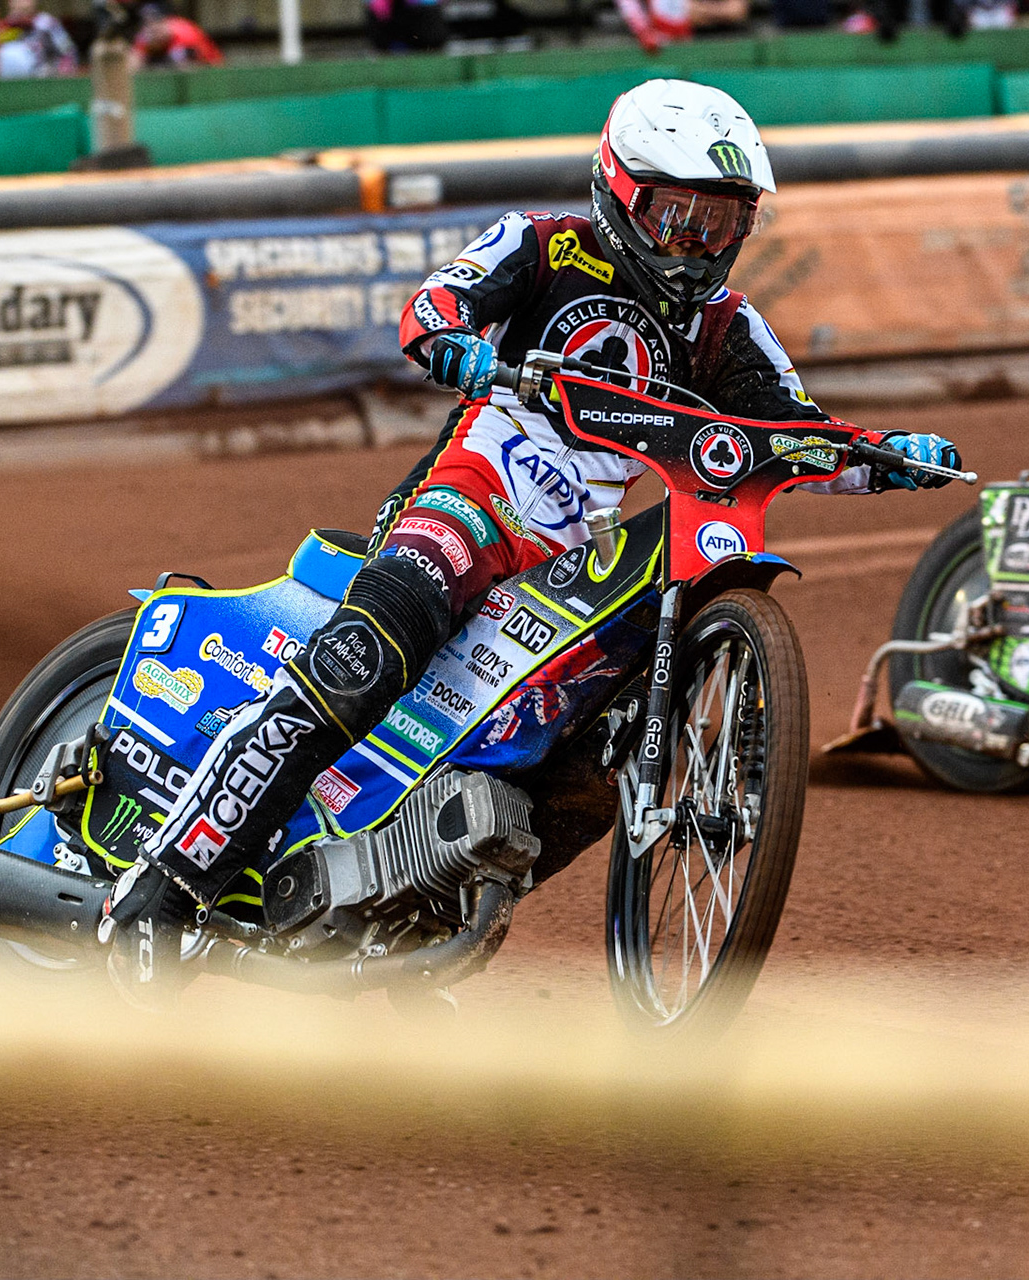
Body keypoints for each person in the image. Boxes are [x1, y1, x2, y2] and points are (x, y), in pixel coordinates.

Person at [98, 80, 963, 992]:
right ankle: (166, 882)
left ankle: (402, 929)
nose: (694, 245)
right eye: (676, 215)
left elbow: (794, 433)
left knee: (590, 772)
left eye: (719, 224)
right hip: (466, 504)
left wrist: (888, 454)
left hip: (565, 572)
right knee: (365, 659)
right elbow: (435, 308)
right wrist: (458, 345)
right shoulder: (544, 243)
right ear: (620, 191)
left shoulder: (726, 327)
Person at [0, 0, 79, 77]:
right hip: (8, 83)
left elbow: (68, 51)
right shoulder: (3, 27)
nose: (22, 3)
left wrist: (62, 74)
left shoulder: (46, 23)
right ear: (9, 2)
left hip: (43, 81)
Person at [132, 4, 223, 67]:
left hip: (211, 71)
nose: (152, 29)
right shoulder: (146, 37)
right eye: (148, 24)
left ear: (166, 22)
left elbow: (192, 68)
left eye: (156, 24)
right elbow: (133, 65)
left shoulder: (186, 34)